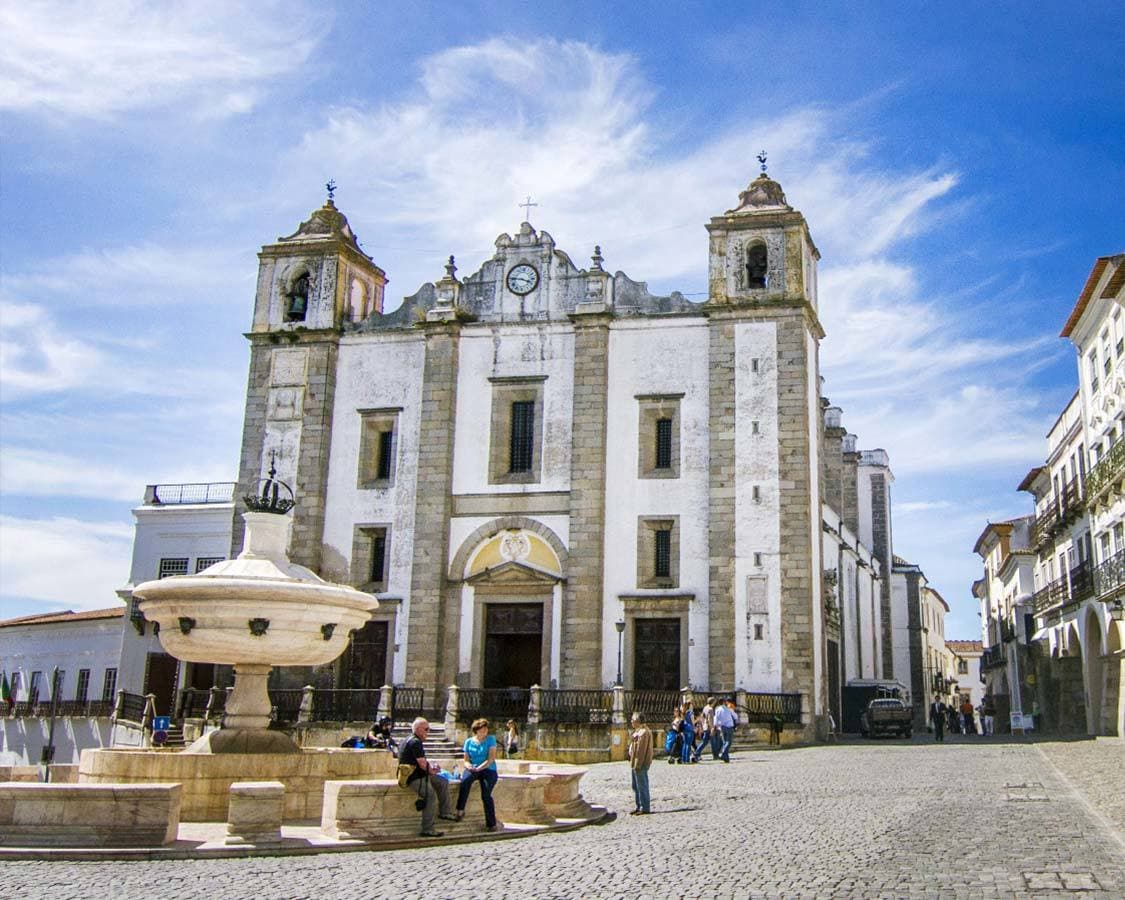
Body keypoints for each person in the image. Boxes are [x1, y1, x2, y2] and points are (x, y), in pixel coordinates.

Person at [398, 717, 456, 837]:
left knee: (442, 782)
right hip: (414, 777)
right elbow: (422, 764)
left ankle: (445, 812)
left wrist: (432, 770)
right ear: (418, 729)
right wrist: (432, 770)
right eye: (426, 729)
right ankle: (427, 828)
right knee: (430, 796)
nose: (428, 732)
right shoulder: (415, 742)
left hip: (420, 774)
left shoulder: (411, 740)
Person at [455, 718, 501, 832]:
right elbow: (465, 759)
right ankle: (460, 810)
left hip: (488, 769)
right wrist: (468, 766)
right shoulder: (469, 742)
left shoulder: (491, 739)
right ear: (476, 730)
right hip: (473, 767)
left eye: (486, 729)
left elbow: (491, 759)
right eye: (482, 729)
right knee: (465, 782)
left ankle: (491, 823)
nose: (484, 731)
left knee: (486, 794)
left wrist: (479, 768)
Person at [627, 711, 653, 815]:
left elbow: (641, 752)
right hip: (635, 762)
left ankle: (644, 807)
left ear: (638, 721)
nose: (631, 722)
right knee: (636, 786)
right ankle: (639, 805)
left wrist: (638, 764)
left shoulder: (644, 732)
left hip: (640, 763)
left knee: (642, 785)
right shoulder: (638, 731)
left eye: (633, 720)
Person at [714, 697, 737, 762]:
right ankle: (723, 753)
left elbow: (716, 719)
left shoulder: (717, 710)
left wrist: (716, 726)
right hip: (729, 726)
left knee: (724, 741)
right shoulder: (728, 709)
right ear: (724, 702)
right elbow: (735, 716)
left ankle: (726, 758)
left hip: (722, 727)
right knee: (728, 742)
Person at [680, 699, 696, 763]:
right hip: (690, 729)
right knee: (688, 744)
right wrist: (697, 720)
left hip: (685, 729)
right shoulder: (691, 713)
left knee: (685, 744)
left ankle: (683, 758)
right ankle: (687, 759)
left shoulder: (684, 712)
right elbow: (693, 722)